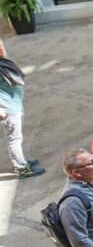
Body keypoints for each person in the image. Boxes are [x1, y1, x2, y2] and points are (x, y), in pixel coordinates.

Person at [0, 38, 43, 177]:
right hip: (8, 110)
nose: (2, 48)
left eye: (1, 45)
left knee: (17, 137)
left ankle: (22, 161)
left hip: (15, 106)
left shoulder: (2, 61)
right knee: (14, 138)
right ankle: (21, 168)